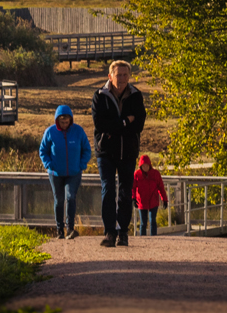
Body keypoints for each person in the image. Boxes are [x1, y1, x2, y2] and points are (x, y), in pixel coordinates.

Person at [92, 59, 147, 247]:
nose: (122, 78)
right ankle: (109, 232)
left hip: (128, 151)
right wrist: (125, 122)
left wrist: (115, 126)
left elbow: (138, 125)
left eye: (125, 75)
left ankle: (123, 231)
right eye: (118, 74)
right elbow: (100, 125)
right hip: (105, 151)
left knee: (125, 192)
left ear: (129, 76)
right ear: (110, 76)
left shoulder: (136, 96)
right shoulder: (100, 96)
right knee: (108, 190)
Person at [38, 104, 93, 238]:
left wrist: (82, 164)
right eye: (62, 122)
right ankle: (59, 229)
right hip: (55, 173)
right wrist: (48, 164)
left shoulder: (78, 131)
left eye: (67, 122)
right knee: (59, 200)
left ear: (71, 120)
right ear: (57, 121)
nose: (64, 124)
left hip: (74, 173)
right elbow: (43, 151)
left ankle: (70, 229)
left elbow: (87, 150)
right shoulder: (50, 132)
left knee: (71, 197)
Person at [133, 154, 167, 236]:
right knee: (143, 222)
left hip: (153, 201)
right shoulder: (137, 174)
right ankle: (143, 238)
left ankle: (153, 237)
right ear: (140, 166)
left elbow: (161, 187)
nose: (145, 168)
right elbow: (133, 187)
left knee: (152, 221)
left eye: (146, 166)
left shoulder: (155, 174)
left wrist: (164, 199)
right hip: (142, 201)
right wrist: (133, 198)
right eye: (143, 166)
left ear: (149, 165)